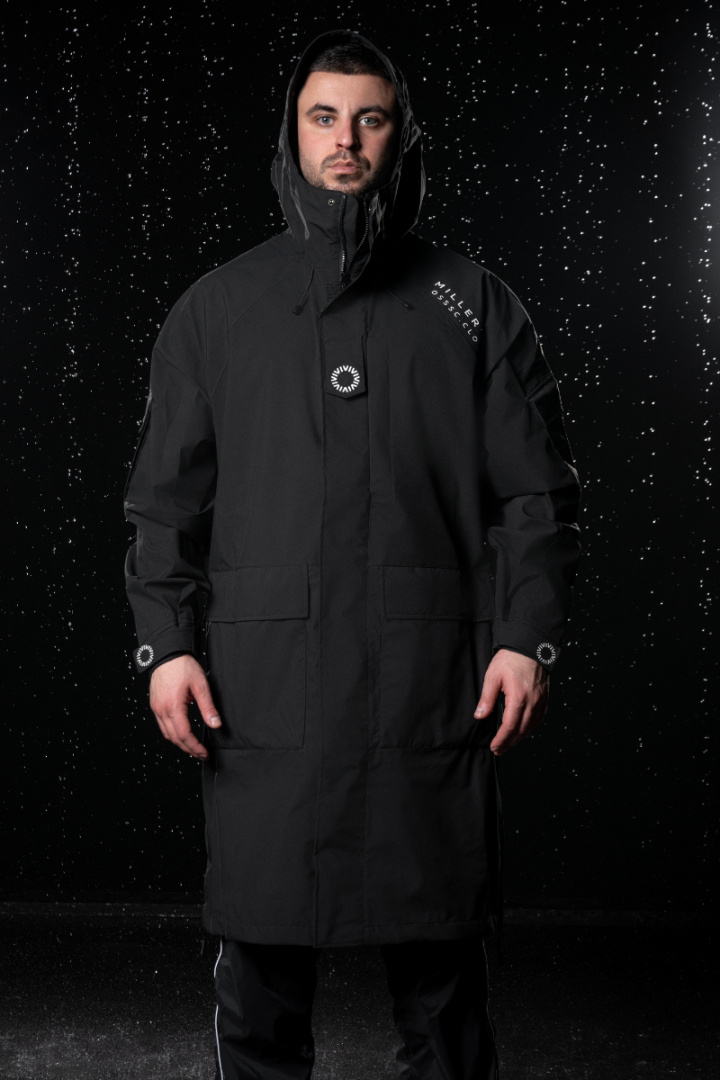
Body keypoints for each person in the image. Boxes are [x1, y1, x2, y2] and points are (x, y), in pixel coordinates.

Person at [124, 28, 581, 1080]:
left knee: (443, 981)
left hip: (430, 685)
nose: (345, 140)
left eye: (369, 119)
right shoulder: (218, 307)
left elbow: (539, 493)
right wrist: (168, 645)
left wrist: (527, 639)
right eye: (323, 117)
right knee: (260, 977)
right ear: (292, 135)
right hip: (264, 690)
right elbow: (163, 505)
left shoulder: (471, 301)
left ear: (400, 137)